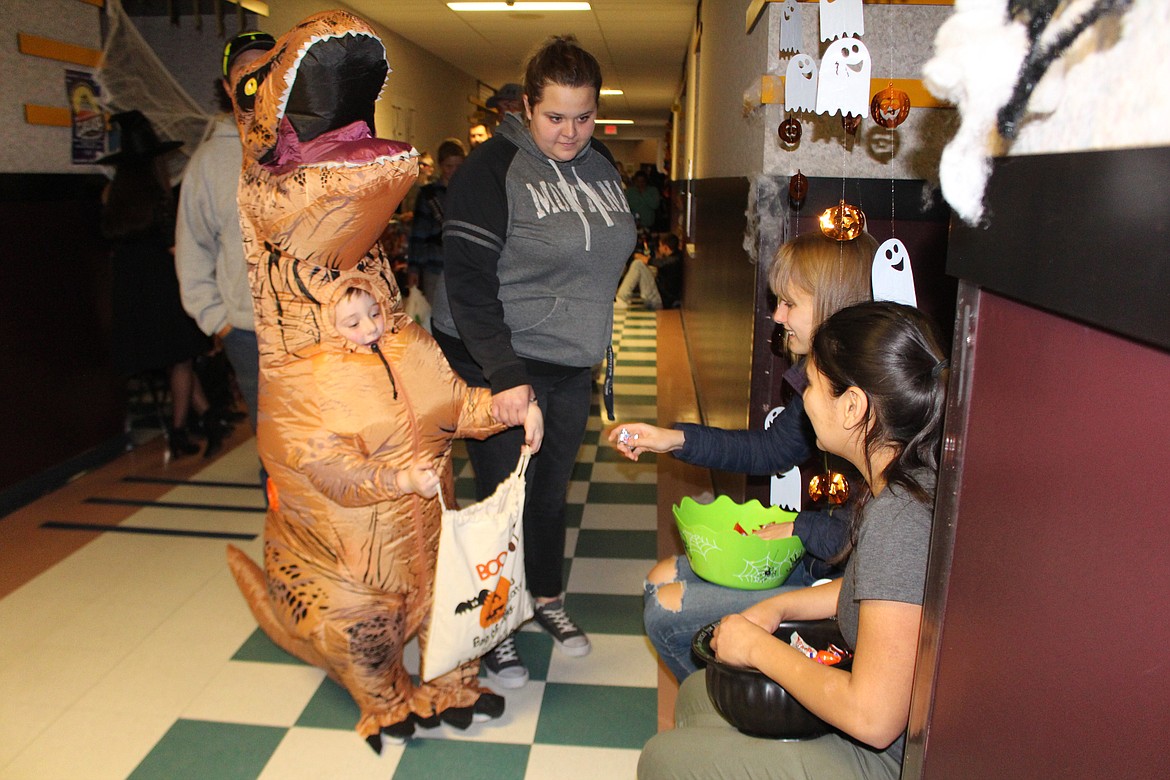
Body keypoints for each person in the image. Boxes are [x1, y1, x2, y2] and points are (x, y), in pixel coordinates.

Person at [638, 300, 948, 779]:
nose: (804, 397)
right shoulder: (909, 479)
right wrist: (783, 607)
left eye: (814, 385)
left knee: (662, 760)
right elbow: (878, 596)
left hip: (889, 759)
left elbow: (873, 718)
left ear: (853, 407)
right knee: (699, 696)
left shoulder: (898, 519)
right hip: (883, 730)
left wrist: (759, 650)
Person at [431, 34, 637, 689]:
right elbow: (466, 283)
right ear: (527, 106)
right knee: (502, 502)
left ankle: (545, 599)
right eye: (555, 117)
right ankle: (494, 630)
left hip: (568, 363)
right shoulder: (490, 170)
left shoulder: (601, 162)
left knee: (548, 498)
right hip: (497, 358)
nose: (571, 132)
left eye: (584, 117)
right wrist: (506, 376)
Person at [609, 230, 878, 682]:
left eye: (790, 303)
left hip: (833, 585)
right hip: (816, 559)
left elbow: (863, 540)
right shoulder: (822, 381)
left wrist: (798, 526)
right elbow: (772, 449)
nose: (778, 315)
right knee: (659, 578)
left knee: (664, 611)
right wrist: (670, 439)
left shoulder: (868, 400)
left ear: (833, 306)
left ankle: (725, 704)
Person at [99, 109, 224, 459]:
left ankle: (204, 420)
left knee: (174, 359)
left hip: (130, 284)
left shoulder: (112, 195)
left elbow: (107, 234)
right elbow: (175, 244)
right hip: (163, 280)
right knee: (181, 359)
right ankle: (183, 430)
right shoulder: (161, 196)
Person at [176, 30, 276, 436]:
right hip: (250, 335)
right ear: (226, 86)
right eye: (243, 70)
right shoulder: (208, 163)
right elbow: (192, 249)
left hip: (326, 327)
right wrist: (221, 322)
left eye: (266, 67)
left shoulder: (314, 146)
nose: (255, 77)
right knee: (276, 447)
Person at [407, 138, 465, 302]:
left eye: (458, 166)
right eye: (449, 166)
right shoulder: (428, 195)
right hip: (435, 266)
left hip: (463, 266)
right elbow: (418, 235)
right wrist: (413, 268)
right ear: (440, 165)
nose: (453, 171)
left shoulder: (471, 193)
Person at [615, 231, 684, 310]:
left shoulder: (673, 261)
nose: (659, 248)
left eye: (660, 246)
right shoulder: (676, 257)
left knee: (638, 264)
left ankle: (622, 298)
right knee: (648, 268)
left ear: (666, 248)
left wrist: (640, 257)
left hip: (660, 300)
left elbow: (657, 263)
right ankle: (624, 296)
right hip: (660, 296)